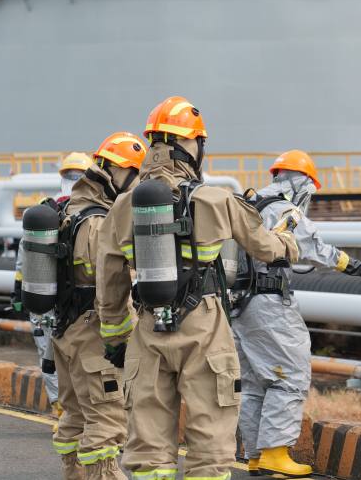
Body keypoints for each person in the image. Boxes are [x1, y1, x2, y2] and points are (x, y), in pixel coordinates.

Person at [96, 96, 299, 480]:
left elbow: (110, 282)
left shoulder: (122, 207)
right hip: (204, 327)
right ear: (192, 145)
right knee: (210, 440)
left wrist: (116, 337)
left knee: (148, 449)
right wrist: (288, 237)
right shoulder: (216, 199)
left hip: (147, 326)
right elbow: (267, 248)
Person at [232, 150, 361, 477]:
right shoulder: (286, 211)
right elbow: (319, 251)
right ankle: (275, 453)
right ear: (303, 184)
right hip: (269, 305)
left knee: (255, 382)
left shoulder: (248, 207)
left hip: (240, 305)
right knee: (291, 377)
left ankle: (256, 455)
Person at [50, 133, 147, 479]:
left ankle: (73, 473)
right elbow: (107, 283)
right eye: (136, 175)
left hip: (64, 331)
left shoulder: (68, 209)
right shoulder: (97, 221)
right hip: (92, 334)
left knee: (75, 414)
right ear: (120, 172)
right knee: (106, 419)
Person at [12, 151, 92, 425]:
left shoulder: (45, 211)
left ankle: (64, 412)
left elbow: (24, 254)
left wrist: (18, 290)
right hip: (78, 301)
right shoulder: (92, 213)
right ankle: (75, 413)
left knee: (50, 355)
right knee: (78, 357)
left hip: (47, 298)